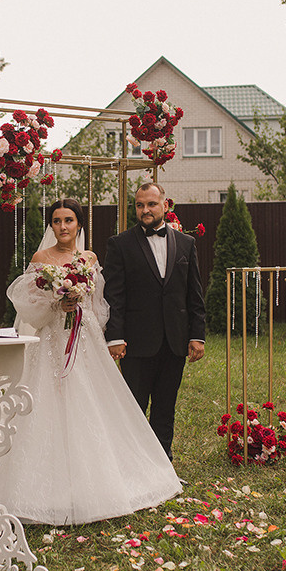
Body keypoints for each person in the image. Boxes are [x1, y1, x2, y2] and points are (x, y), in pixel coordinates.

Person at [0, 198, 181, 525]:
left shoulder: (88, 259)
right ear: (52, 225)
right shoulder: (40, 259)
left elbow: (99, 304)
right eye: (57, 221)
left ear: (79, 224)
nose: (63, 226)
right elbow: (29, 308)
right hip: (51, 339)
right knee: (44, 404)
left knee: (92, 405)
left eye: (69, 220)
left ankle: (101, 479)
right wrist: (56, 305)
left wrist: (80, 303)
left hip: (84, 339)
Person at [103, 182, 206, 461]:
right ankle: (133, 466)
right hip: (136, 343)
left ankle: (163, 466)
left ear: (165, 206)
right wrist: (114, 337)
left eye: (151, 204)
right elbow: (114, 295)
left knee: (165, 407)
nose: (145, 210)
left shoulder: (186, 243)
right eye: (139, 205)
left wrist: (197, 335)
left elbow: (193, 293)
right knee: (134, 407)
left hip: (174, 341)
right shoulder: (120, 244)